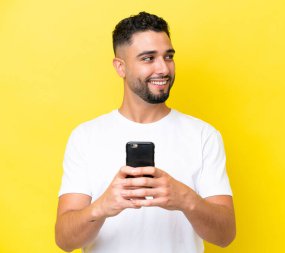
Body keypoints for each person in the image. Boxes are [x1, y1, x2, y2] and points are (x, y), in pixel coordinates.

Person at [55, 12, 236, 253]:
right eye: (148, 58)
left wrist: (185, 199)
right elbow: (64, 241)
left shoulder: (204, 135)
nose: (163, 68)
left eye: (168, 56)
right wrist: (102, 206)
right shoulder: (85, 137)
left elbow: (225, 235)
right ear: (121, 67)